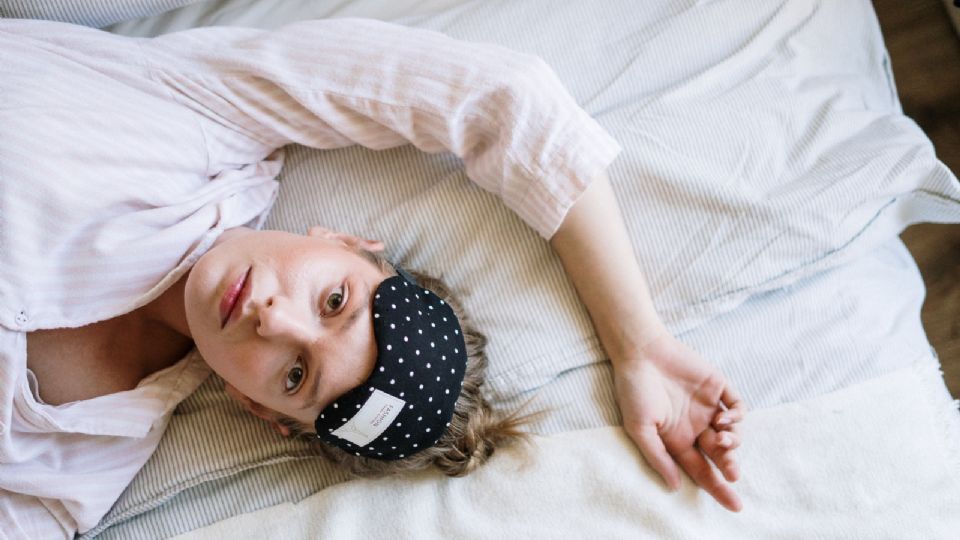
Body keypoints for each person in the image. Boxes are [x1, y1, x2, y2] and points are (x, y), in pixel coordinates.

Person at [0, 16, 744, 539]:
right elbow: (503, 99)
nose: (274, 320)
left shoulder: (74, 467)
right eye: (334, 301)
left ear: (258, 409)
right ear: (345, 241)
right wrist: (639, 342)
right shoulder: (211, 116)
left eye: (295, 376)